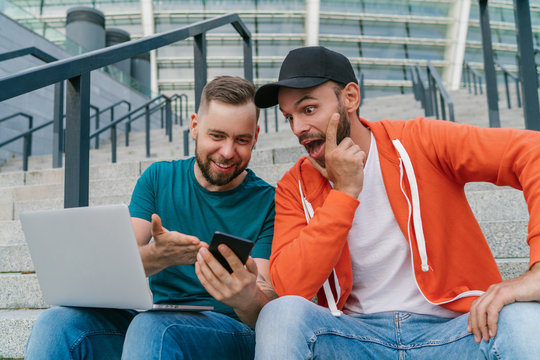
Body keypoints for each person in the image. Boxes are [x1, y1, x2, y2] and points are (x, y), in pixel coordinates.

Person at [252, 46, 540, 359]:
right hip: (357, 338)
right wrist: (344, 192)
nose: (298, 129)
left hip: (458, 332)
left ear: (350, 97)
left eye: (308, 110)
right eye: (289, 117)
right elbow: (290, 288)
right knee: (279, 315)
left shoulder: (420, 141)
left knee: (522, 317)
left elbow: (533, 151)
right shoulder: (294, 184)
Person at [25, 75, 277, 359]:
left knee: (154, 327)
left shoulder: (269, 201)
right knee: (56, 324)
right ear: (194, 126)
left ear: (255, 137)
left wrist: (246, 296)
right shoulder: (158, 178)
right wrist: (159, 256)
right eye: (216, 136)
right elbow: (114, 267)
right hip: (155, 325)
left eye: (242, 140)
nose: (228, 152)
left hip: (230, 332)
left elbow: (264, 309)